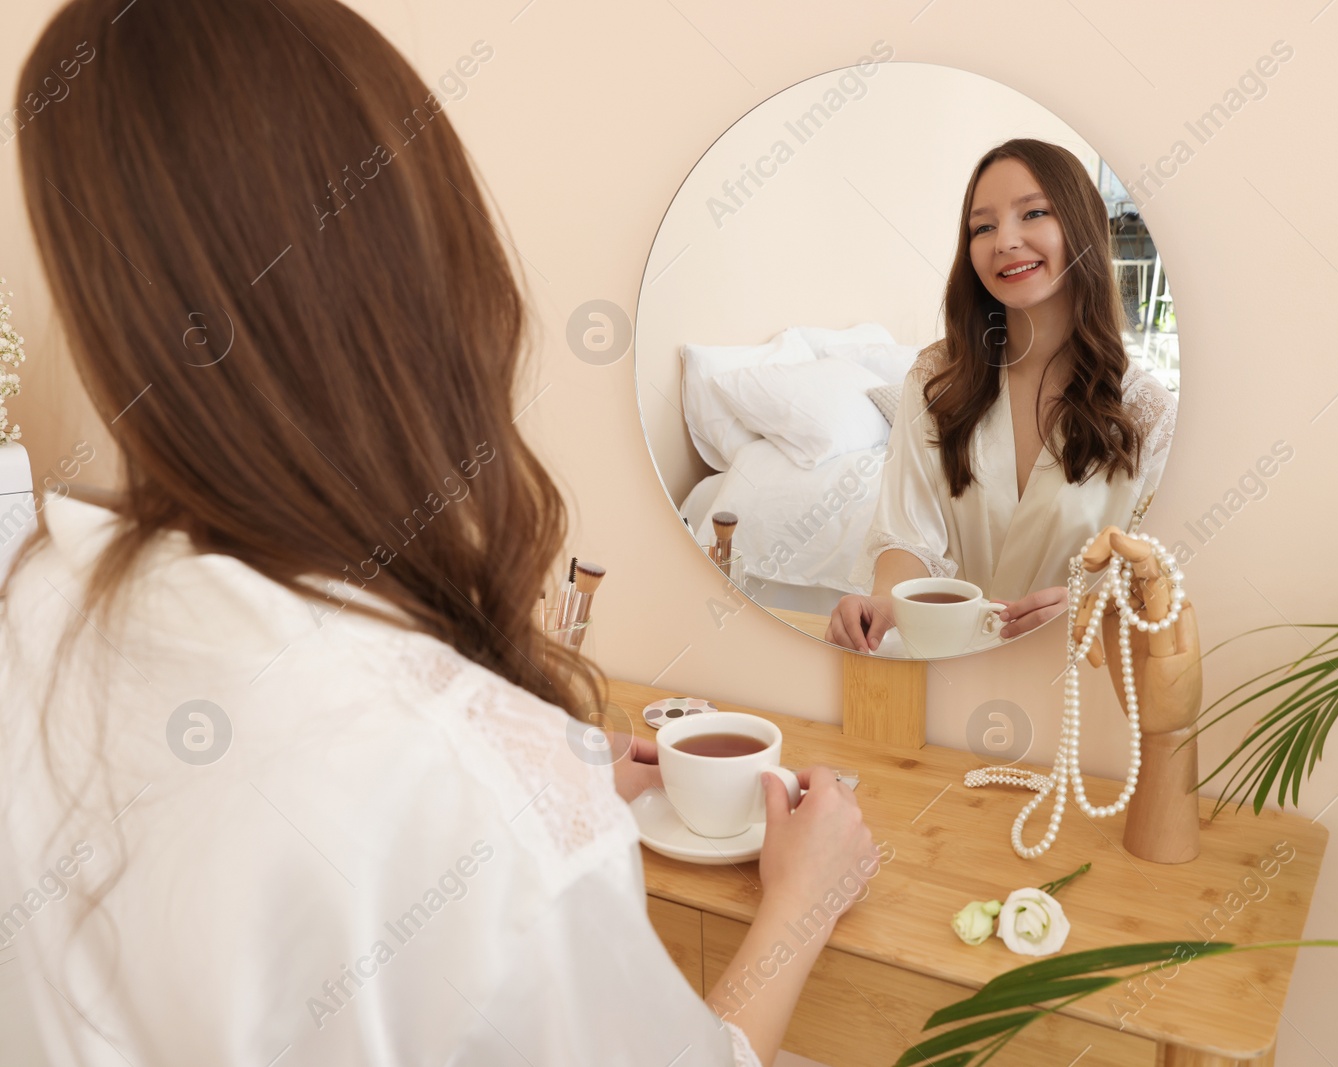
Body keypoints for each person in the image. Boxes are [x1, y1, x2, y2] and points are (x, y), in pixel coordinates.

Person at [0, 1, 877, 1064]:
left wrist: (518, 767)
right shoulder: (463, 789)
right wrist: (803, 902)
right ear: (436, 279)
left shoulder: (35, 601)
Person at [826, 139, 1176, 654]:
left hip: (1071, 678)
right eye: (982, 227)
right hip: (944, 667)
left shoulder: (1146, 414)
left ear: (1080, 226)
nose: (1005, 241)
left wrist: (1090, 610)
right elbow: (908, 534)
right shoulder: (935, 378)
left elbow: (1160, 586)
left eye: (1033, 213)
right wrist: (887, 600)